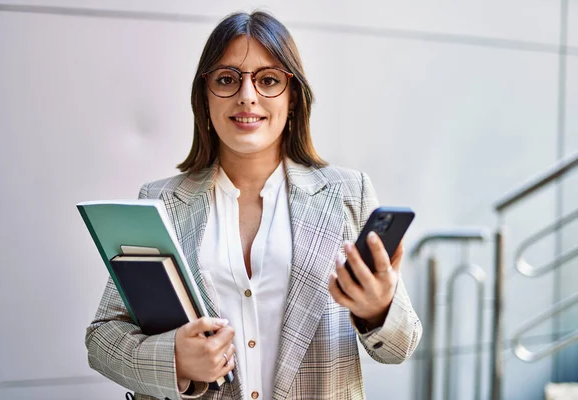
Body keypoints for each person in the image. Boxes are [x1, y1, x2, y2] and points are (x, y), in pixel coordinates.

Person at [85, 11, 422, 400]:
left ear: (292, 98)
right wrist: (174, 360)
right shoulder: (160, 201)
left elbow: (401, 346)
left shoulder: (349, 192)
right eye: (227, 79)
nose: (248, 95)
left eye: (268, 80)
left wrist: (379, 309)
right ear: (205, 96)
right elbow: (103, 337)